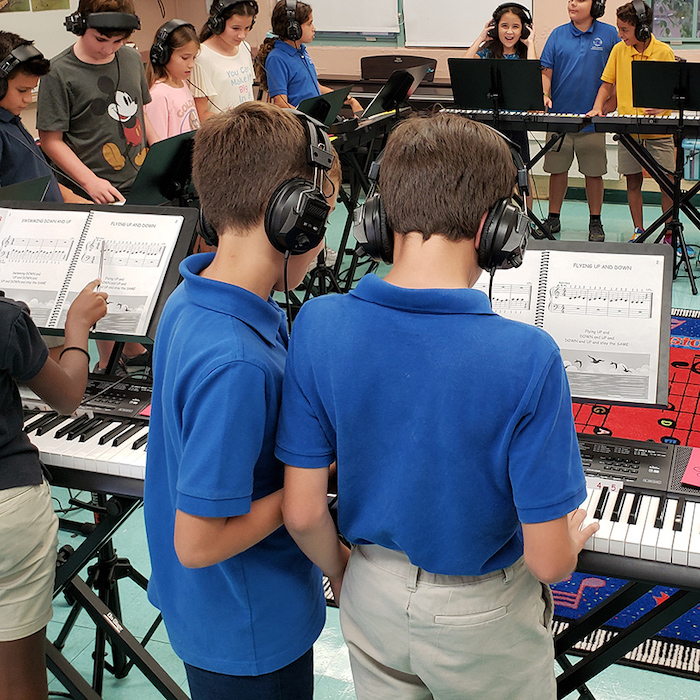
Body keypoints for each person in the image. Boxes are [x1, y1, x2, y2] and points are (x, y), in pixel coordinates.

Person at [277, 113, 597, 700]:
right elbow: (550, 563)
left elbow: (302, 514)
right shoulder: (528, 356)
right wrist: (568, 546)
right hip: (483, 617)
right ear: (497, 229)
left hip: (369, 592)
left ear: (378, 217)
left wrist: (349, 577)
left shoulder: (317, 323)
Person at [143, 101, 341, 700]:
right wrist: (310, 483)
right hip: (250, 630)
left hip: (215, 613)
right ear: (292, 220)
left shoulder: (192, 294)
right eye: (322, 214)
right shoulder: (236, 361)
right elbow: (198, 542)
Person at [0, 280, 107, 700]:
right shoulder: (7, 319)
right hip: (8, 506)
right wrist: (77, 328)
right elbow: (67, 397)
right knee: (19, 681)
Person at [37, 0, 155, 371]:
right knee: (102, 277)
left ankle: (132, 350)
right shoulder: (58, 72)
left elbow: (141, 111)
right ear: (79, 25)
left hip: (139, 180)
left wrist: (162, 152)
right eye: (101, 38)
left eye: (118, 41)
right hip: (90, 189)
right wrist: (90, 182)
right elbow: (50, 140)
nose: (109, 48)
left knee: (138, 275)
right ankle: (109, 361)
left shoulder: (132, 60)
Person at [588, 0, 675, 243]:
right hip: (628, 128)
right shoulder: (618, 50)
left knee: (667, 183)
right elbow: (607, 84)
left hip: (660, 131)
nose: (620, 34)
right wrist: (597, 107)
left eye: (624, 30)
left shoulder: (664, 52)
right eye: (619, 29)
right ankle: (639, 230)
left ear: (642, 29)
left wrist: (663, 106)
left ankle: (669, 234)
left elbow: (674, 92)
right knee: (632, 180)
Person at [539, 0, 618, 242]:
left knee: (594, 173)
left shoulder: (609, 34)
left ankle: (595, 220)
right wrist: (543, 96)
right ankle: (553, 217)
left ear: (596, 5)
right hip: (560, 119)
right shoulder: (557, 34)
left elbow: (617, 73)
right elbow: (546, 72)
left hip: (592, 121)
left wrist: (608, 105)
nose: (572, 3)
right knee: (557, 170)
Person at [463, 3, 537, 206]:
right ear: (496, 28)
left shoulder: (524, 54)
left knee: (520, 172)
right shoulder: (488, 52)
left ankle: (525, 218)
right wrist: (480, 39)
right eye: (504, 26)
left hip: (516, 124)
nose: (510, 31)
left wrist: (531, 44)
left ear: (524, 28)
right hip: (490, 123)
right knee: (490, 172)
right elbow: (465, 67)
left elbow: (532, 77)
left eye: (515, 26)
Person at [0, 32, 85, 204]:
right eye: (22, 91)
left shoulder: (11, 120)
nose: (28, 99)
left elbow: (38, 176)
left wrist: (74, 199)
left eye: (32, 90)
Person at [255, 0, 362, 114]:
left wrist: (350, 100)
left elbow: (316, 87)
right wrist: (308, 119)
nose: (313, 28)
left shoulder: (301, 51)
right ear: (293, 29)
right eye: (309, 23)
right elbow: (280, 103)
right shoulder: (277, 58)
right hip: (299, 125)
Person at [191, 0, 258, 123]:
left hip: (246, 131)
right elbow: (201, 114)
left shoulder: (245, 48)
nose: (242, 35)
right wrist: (236, 124)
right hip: (221, 134)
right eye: (235, 28)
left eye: (247, 28)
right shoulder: (202, 56)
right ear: (218, 24)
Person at [145, 20, 200, 142]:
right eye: (185, 58)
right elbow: (160, 145)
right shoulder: (158, 95)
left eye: (194, 57)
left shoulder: (183, 83)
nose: (191, 64)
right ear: (164, 55)